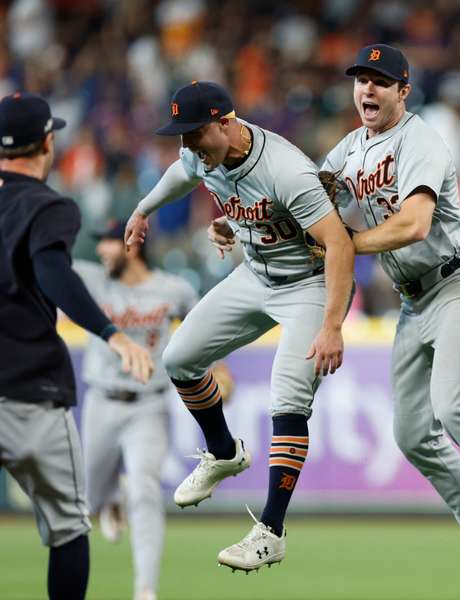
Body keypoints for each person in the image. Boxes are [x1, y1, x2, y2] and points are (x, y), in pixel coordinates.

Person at [210, 43, 460, 598]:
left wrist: (345, 244)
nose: (367, 89)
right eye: (361, 80)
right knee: (412, 433)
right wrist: (237, 222)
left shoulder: (420, 140)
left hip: (457, 281)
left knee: (455, 407)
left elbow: (415, 224)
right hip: (414, 301)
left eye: (380, 81)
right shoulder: (347, 151)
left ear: (403, 91)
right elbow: (296, 200)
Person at [123, 81, 355, 571]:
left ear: (226, 122)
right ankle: (224, 452)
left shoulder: (284, 168)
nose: (188, 146)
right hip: (256, 274)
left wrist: (332, 324)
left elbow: (338, 244)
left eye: (195, 134)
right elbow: (178, 175)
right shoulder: (201, 155)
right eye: (181, 136)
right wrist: (144, 210)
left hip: (308, 285)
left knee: (288, 396)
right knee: (179, 359)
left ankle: (271, 530)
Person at [0, 92, 153, 600]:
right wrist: (110, 333)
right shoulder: (46, 205)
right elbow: (52, 275)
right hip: (28, 391)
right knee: (68, 527)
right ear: (47, 142)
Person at [74, 219, 213, 600]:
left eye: (108, 242)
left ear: (133, 244)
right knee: (89, 500)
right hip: (101, 400)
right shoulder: (91, 280)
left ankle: (145, 590)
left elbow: (207, 330)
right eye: (100, 241)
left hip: (149, 405)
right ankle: (110, 499)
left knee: (146, 490)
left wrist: (219, 369)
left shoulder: (173, 289)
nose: (102, 249)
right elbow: (47, 267)